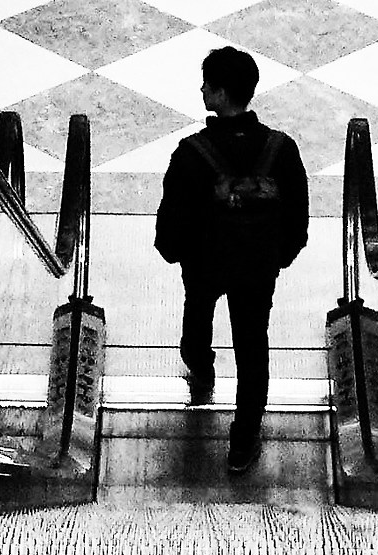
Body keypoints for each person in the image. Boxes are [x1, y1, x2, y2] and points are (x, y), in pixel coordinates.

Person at [153, 46, 309, 475]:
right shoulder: (281, 149)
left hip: (205, 263)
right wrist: (280, 255)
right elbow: (297, 216)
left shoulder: (191, 152)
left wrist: (174, 251)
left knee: (197, 317)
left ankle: (200, 368)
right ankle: (243, 438)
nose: (201, 88)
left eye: (207, 83)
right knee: (253, 344)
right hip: (258, 266)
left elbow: (173, 220)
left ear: (220, 94)